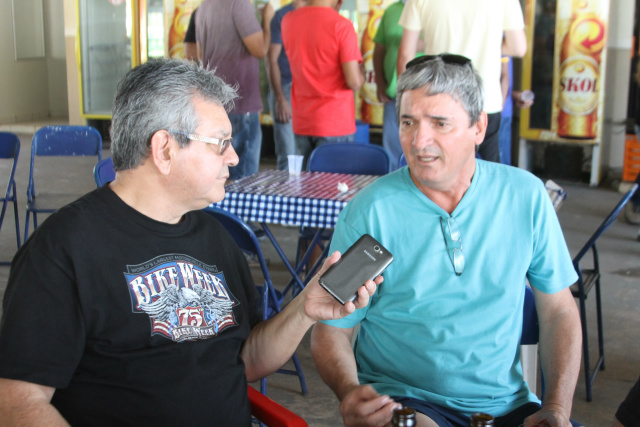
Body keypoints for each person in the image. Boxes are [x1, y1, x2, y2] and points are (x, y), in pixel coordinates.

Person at [0, 59, 380, 427]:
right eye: (220, 143)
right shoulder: (63, 250)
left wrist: (305, 309)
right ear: (164, 149)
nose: (234, 157)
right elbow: (18, 402)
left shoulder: (213, 236)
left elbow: (246, 359)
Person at [311, 55, 582, 427]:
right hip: (404, 403)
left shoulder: (525, 197)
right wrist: (348, 389)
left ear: (479, 127)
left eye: (440, 123)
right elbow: (333, 329)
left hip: (506, 407)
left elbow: (559, 311)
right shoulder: (372, 211)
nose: (420, 141)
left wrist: (556, 409)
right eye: (408, 122)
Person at [396, 0, 527, 163]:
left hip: (435, 102)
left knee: (433, 168)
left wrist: (404, 105)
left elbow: (405, 55)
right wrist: (487, 42)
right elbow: (518, 48)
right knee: (487, 173)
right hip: (485, 101)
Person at [196, 0, 273, 180]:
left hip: (215, 101)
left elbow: (199, 55)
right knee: (243, 176)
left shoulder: (204, 6)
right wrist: (267, 20)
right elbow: (260, 48)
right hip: (240, 102)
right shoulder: (239, 4)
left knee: (220, 173)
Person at [282, 0, 364, 168]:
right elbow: (354, 81)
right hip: (335, 123)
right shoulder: (342, 26)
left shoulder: (288, 20)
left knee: (305, 188)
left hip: (302, 121)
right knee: (335, 190)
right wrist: (362, 73)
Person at [373, 0, 421, 171]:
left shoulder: (433, 7)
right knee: (392, 151)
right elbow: (379, 50)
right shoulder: (391, 11)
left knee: (421, 149)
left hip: (426, 95)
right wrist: (379, 82)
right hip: (394, 94)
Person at [267, 0, 305, 171]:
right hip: (286, 88)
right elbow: (271, 59)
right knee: (288, 154)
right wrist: (280, 99)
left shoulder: (318, 14)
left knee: (308, 153)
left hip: (308, 91)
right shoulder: (281, 16)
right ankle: (287, 196)